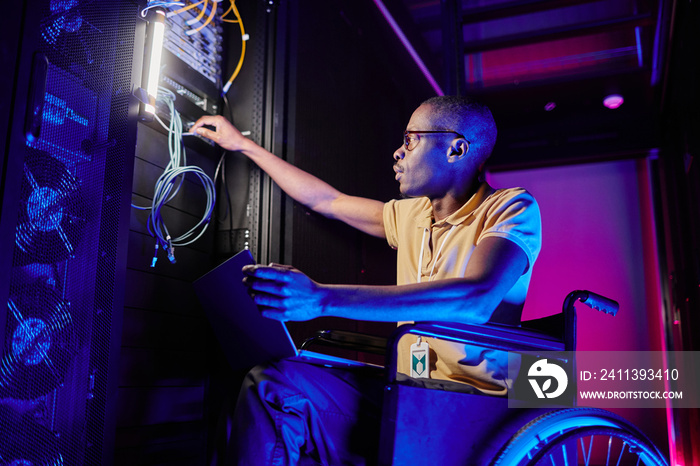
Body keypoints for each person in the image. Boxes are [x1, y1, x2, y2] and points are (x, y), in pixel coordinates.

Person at [191, 95, 541, 465]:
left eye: (410, 140)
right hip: (410, 393)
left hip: (471, 409)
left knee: (280, 394)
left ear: (456, 148)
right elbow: (328, 200)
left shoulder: (511, 207)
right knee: (272, 385)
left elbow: (476, 298)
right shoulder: (412, 216)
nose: (398, 152)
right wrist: (242, 144)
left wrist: (321, 299)